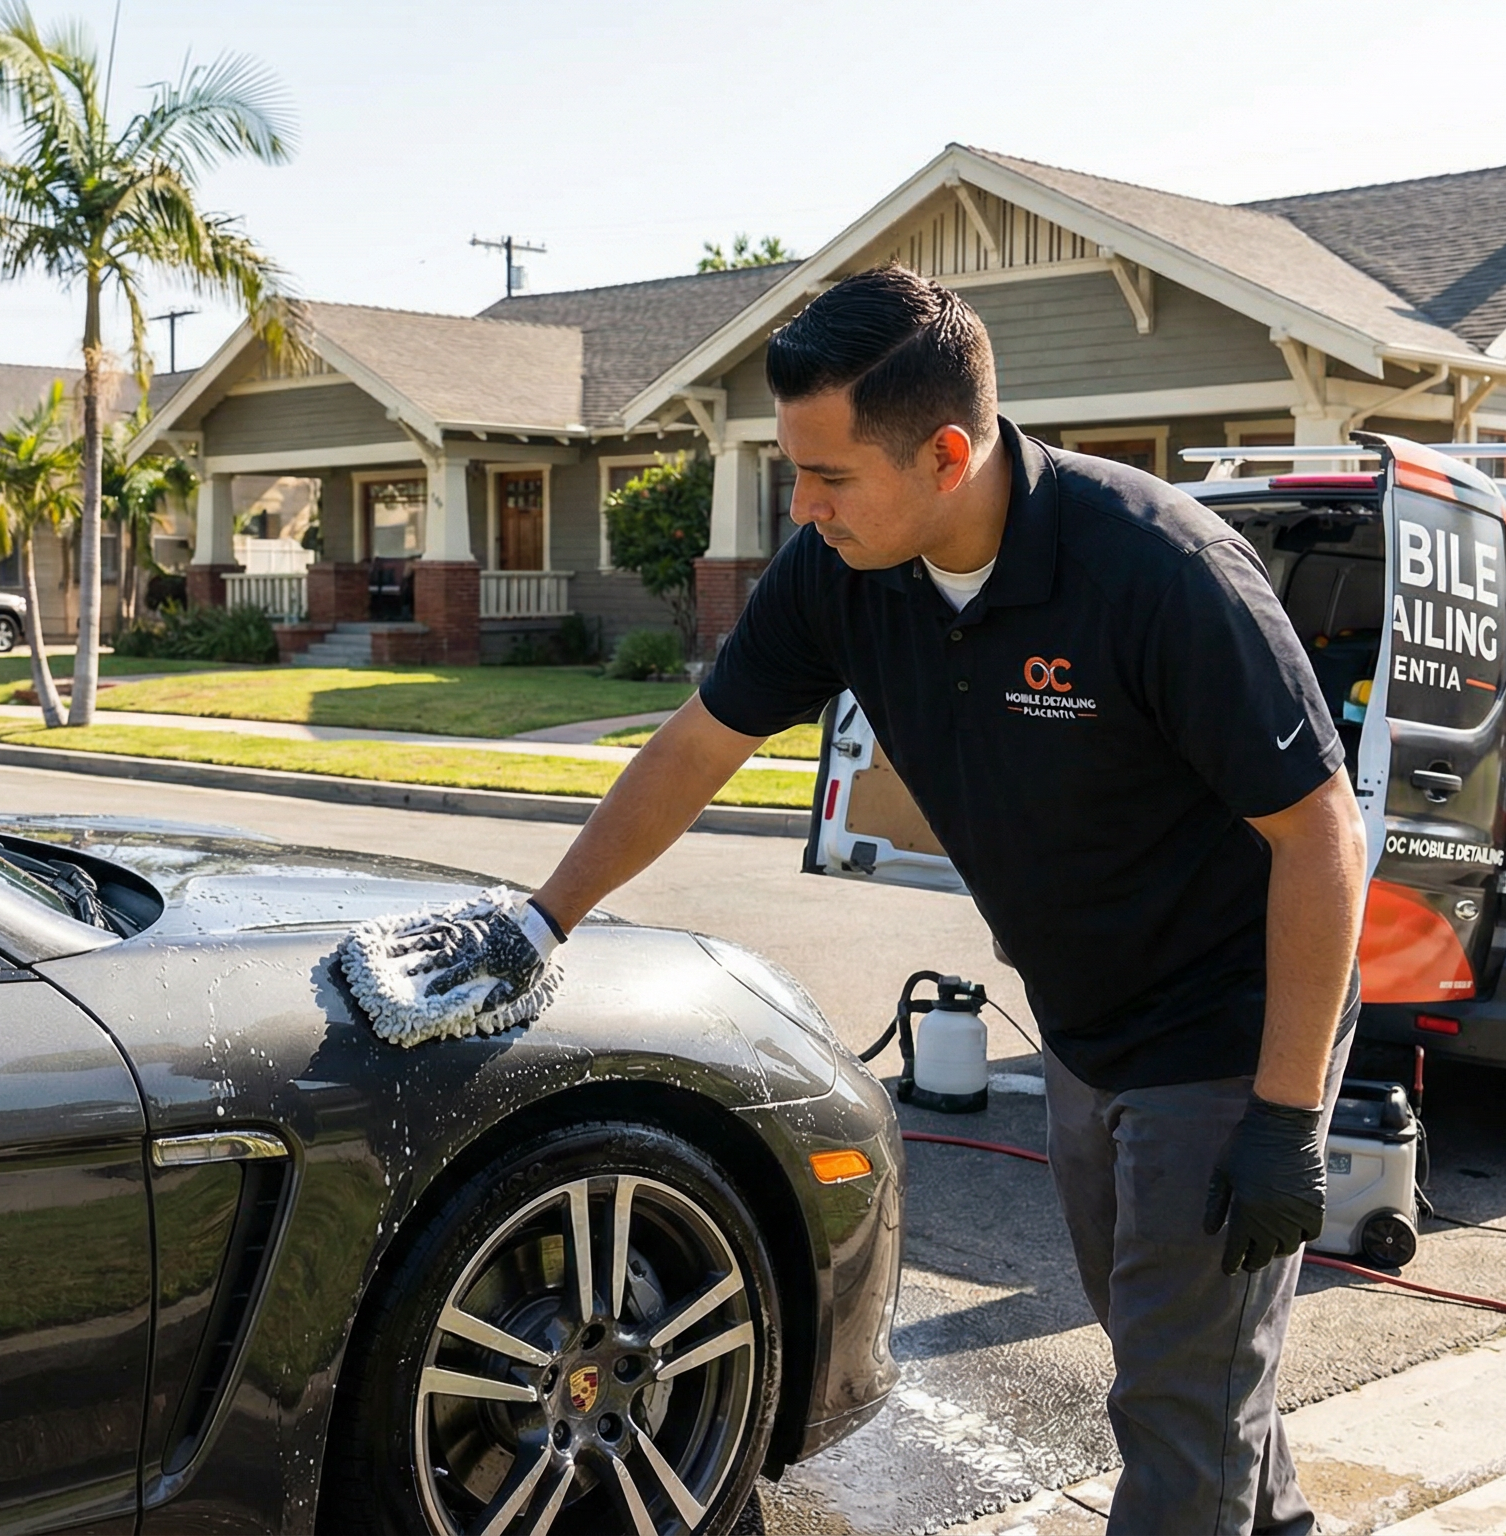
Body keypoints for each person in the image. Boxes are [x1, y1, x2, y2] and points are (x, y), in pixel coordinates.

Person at [384, 264, 1367, 1534]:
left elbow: (1322, 836)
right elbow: (695, 747)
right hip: (1085, 1027)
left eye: (830, 476)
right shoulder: (840, 573)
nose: (804, 507)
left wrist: (1285, 1118)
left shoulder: (1157, 571)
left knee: (1178, 1421)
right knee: (1189, 1365)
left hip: (1232, 1033)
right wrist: (539, 919)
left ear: (946, 453)